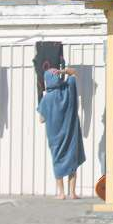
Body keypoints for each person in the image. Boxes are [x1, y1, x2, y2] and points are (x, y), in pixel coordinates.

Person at [37, 68, 86, 200]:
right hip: (71, 134)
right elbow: (74, 73)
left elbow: (41, 119)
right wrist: (63, 72)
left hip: (55, 137)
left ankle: (61, 193)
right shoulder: (68, 89)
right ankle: (72, 193)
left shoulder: (46, 99)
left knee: (57, 161)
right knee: (72, 162)